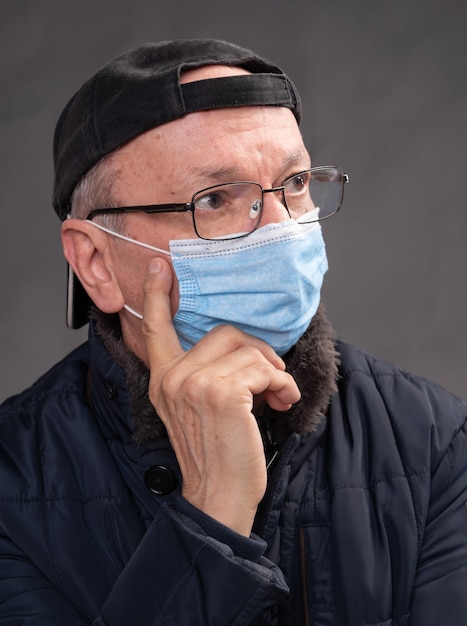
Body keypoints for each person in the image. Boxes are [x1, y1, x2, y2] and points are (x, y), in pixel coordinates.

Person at [0, 38, 466, 626]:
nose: (281, 229)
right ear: (95, 262)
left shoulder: (433, 442)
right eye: (215, 198)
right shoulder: (12, 484)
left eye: (294, 183)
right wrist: (209, 519)